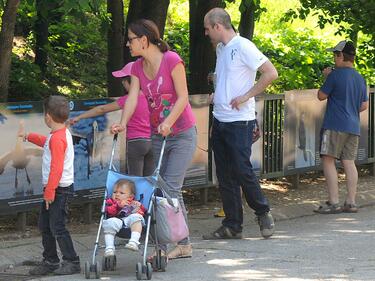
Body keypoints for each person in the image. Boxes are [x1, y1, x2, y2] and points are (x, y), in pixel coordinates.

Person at [110, 19, 196, 259]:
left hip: (182, 133)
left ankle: (181, 244)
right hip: (158, 134)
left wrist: (169, 122)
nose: (128, 44)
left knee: (170, 188)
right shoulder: (137, 67)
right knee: (157, 190)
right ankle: (164, 246)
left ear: (144, 40)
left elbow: (183, 97)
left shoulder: (171, 60)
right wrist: (123, 123)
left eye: (131, 39)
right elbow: (133, 99)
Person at [202, 8, 278, 240]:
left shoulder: (243, 46)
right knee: (224, 175)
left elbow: (271, 73)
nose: (205, 33)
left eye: (207, 28)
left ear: (217, 26)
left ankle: (263, 211)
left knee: (242, 170)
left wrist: (246, 96)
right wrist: (217, 95)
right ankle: (232, 225)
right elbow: (225, 78)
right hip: (221, 119)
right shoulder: (221, 48)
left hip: (239, 122)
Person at [19, 96, 80, 276]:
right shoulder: (58, 134)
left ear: (47, 117)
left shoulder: (57, 138)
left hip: (58, 190)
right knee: (45, 225)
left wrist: (50, 192)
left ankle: (72, 261)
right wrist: (28, 136)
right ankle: (50, 260)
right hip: (55, 189)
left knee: (57, 227)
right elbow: (46, 143)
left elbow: (57, 168)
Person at [69, 62, 153, 177]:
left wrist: (79, 117)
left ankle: (135, 196)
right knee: (150, 179)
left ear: (131, 82)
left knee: (135, 178)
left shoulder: (127, 99)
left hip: (136, 142)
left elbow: (102, 109)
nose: (123, 83)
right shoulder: (152, 97)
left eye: (123, 80)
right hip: (153, 141)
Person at [314, 40, 368, 214]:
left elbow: (321, 96)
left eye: (335, 55)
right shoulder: (360, 78)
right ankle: (351, 202)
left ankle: (333, 202)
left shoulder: (335, 75)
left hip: (334, 125)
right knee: (349, 162)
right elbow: (364, 105)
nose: (333, 58)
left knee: (328, 160)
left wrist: (327, 77)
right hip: (353, 126)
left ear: (340, 56)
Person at [102, 179, 146, 256]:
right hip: (116, 221)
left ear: (131, 196)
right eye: (115, 192)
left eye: (121, 193)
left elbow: (144, 211)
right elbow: (109, 211)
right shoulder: (111, 202)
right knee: (109, 223)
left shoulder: (133, 202)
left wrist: (139, 206)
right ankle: (109, 248)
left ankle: (134, 241)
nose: (117, 194)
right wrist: (117, 206)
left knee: (137, 217)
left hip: (130, 223)